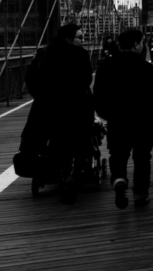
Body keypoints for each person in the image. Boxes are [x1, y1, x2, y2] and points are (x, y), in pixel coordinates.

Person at [19, 22, 95, 203]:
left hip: (46, 109)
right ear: (68, 39)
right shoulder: (80, 54)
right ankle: (73, 174)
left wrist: (41, 97)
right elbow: (85, 79)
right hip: (75, 108)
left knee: (52, 140)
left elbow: (30, 78)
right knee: (80, 139)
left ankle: (57, 169)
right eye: (80, 38)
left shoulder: (44, 53)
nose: (82, 41)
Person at [93, 29, 153, 209]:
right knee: (142, 157)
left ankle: (119, 178)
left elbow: (98, 97)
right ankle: (140, 194)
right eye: (143, 42)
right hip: (143, 122)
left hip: (117, 120)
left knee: (118, 153)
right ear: (137, 45)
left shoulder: (105, 67)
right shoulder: (148, 70)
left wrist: (108, 115)